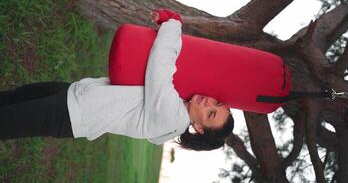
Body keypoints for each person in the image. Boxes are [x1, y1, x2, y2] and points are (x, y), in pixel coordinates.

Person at [0, 9, 234, 151]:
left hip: (70, 114)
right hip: (75, 95)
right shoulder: (172, 120)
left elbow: (160, 68)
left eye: (210, 113)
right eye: (217, 104)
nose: (209, 103)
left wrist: (172, 24)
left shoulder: (173, 117)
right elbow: (154, 137)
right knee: (12, 99)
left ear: (199, 128)